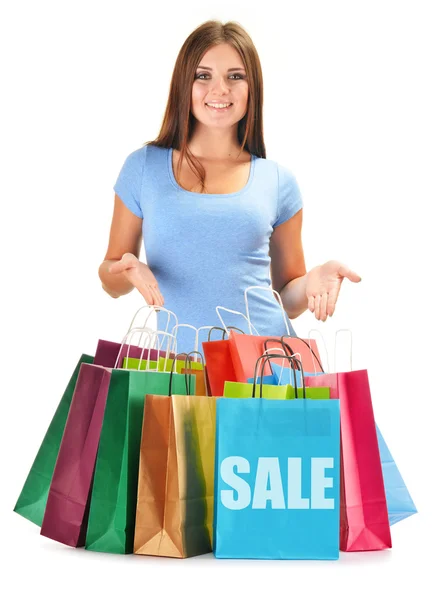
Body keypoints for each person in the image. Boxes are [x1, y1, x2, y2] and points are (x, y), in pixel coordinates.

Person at [98, 19, 361, 356]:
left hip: (267, 368)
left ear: (252, 88)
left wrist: (311, 282)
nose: (220, 89)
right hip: (180, 373)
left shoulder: (277, 181)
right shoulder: (144, 168)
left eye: (235, 76)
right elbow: (110, 280)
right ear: (184, 84)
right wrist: (127, 270)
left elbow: (286, 298)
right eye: (203, 75)